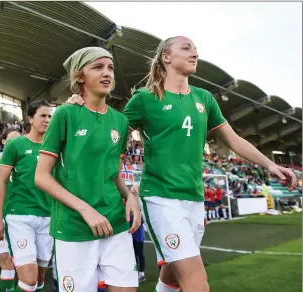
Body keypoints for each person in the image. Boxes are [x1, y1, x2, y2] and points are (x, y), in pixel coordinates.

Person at [66, 36, 298, 292]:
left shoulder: (204, 98)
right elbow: (109, 135)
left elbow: (233, 139)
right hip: (162, 198)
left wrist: (270, 165)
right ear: (166, 57)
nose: (194, 53)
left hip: (195, 199)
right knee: (197, 284)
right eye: (186, 48)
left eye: (196, 49)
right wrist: (79, 109)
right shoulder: (145, 99)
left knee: (172, 279)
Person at [34, 47, 141, 292]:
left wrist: (130, 197)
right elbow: (41, 177)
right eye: (98, 67)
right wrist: (86, 210)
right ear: (79, 76)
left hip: (115, 223)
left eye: (110, 68)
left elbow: (113, 173)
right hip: (74, 227)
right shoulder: (64, 115)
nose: (107, 74)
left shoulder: (121, 121)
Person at [0, 101, 53, 292]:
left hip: (48, 217)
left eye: (50, 116)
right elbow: (2, 182)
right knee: (28, 279)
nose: (47, 120)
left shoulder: (55, 146)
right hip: (20, 216)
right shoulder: (16, 145)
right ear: (30, 118)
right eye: (42, 116)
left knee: (40, 279)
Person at [0, 128, 20, 292]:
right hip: (1, 217)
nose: (14, 143)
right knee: (7, 263)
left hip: (20, 219)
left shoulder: (25, 162)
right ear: (3, 141)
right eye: (11, 139)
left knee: (27, 268)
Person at [130, 184, 146, 283]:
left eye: (135, 189)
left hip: (138, 236)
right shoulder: (130, 202)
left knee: (139, 254)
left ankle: (141, 274)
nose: (134, 191)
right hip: (131, 235)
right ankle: (135, 272)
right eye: (133, 190)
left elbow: (142, 219)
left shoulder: (140, 203)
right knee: (133, 255)